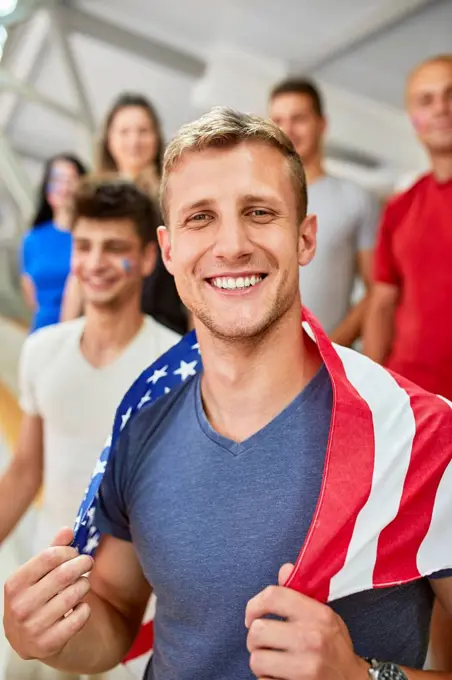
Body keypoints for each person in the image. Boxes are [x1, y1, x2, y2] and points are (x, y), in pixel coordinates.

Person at [4, 108, 452, 680]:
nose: (232, 244)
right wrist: (51, 635)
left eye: (259, 212)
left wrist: (364, 677)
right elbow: (114, 614)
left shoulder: (418, 436)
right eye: (200, 218)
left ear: (305, 236)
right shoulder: (142, 421)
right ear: (167, 252)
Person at [1, 177, 180, 680]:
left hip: (130, 613)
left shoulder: (173, 365)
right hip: (45, 593)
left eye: (114, 247)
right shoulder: (43, 351)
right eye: (84, 246)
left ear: (147, 258)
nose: (96, 262)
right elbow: (24, 472)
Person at [61, 92, 188, 335]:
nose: (134, 141)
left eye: (143, 131)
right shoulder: (91, 197)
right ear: (108, 139)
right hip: (104, 327)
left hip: (164, 326)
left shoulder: (176, 193)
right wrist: (65, 332)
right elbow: (77, 273)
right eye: (124, 132)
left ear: (156, 136)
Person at [364, 55, 452, 400]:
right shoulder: (400, 208)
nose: (441, 108)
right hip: (412, 400)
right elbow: (382, 302)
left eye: (450, 94)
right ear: (413, 119)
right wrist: (367, 388)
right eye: (426, 100)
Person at [269, 78, 380, 346]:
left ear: (322, 124)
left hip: (330, 363)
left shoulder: (357, 199)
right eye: (279, 120)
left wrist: (330, 347)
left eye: (299, 119)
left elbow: (376, 290)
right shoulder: (254, 200)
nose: (288, 129)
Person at [20, 153, 87, 332]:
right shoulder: (32, 239)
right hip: (40, 334)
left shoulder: (90, 237)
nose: (64, 188)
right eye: (57, 180)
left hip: (82, 335)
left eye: (71, 180)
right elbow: (32, 297)